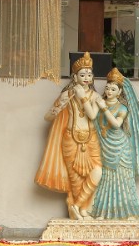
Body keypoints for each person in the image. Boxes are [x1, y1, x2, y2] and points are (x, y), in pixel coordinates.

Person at [35, 53, 103, 220]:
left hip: (90, 138)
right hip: (71, 138)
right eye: (82, 75)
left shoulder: (95, 96)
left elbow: (93, 116)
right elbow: (48, 117)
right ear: (74, 77)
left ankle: (79, 205)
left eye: (89, 74)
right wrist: (56, 110)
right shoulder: (67, 95)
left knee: (97, 171)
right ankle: (78, 211)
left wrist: (83, 98)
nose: (86, 78)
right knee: (75, 179)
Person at [90, 68, 139, 220]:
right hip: (104, 145)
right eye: (107, 88)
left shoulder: (122, 107)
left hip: (120, 147)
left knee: (122, 180)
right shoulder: (100, 103)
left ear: (119, 91)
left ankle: (126, 211)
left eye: (113, 89)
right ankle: (103, 211)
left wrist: (103, 108)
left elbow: (116, 124)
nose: (109, 91)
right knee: (106, 180)